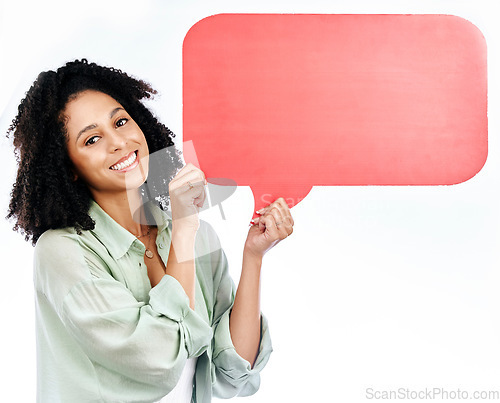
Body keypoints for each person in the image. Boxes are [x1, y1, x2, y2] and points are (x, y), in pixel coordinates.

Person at [7, 59, 294, 403]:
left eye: (121, 121)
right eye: (93, 139)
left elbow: (231, 373)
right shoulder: (64, 252)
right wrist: (185, 229)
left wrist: (254, 255)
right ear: (68, 168)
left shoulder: (194, 234)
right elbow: (159, 358)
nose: (119, 142)